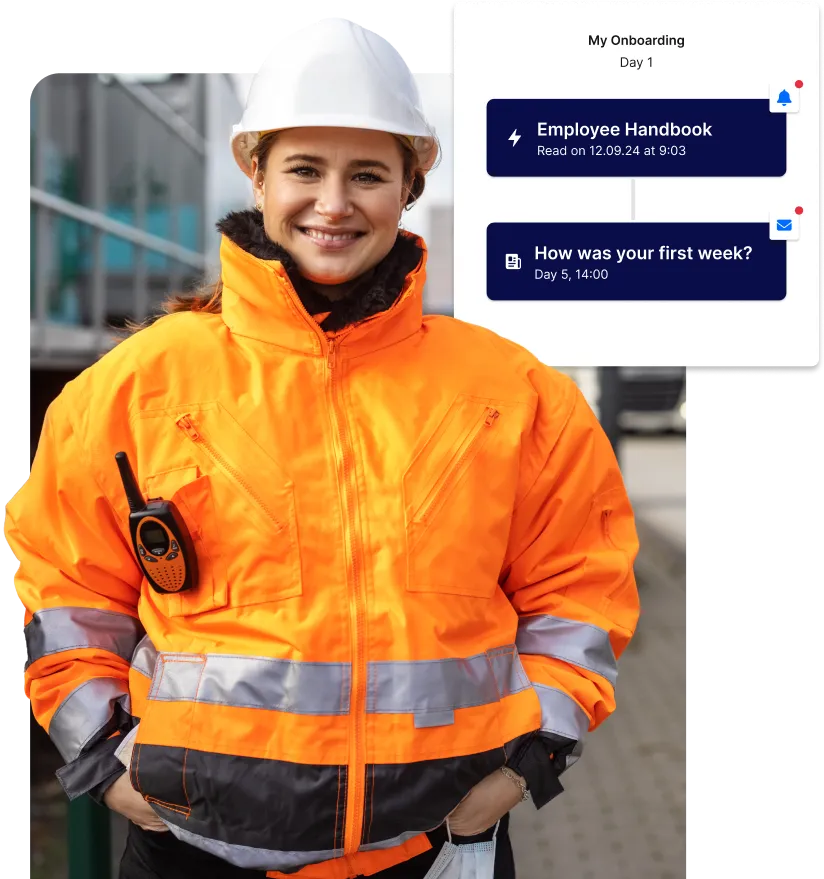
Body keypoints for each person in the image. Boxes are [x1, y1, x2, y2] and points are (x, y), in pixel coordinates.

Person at [7, 17, 640, 879]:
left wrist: (517, 769)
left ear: (410, 185)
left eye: (368, 174)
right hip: (187, 850)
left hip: (438, 847)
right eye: (304, 169)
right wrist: (109, 761)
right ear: (256, 174)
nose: (334, 203)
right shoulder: (134, 387)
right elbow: (67, 592)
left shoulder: (516, 395)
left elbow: (579, 597)